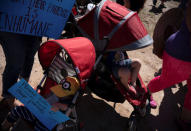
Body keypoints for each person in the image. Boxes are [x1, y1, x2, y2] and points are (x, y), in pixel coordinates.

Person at [147, 0, 191, 129]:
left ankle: (185, 120)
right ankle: (144, 94)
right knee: (165, 81)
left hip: (182, 53)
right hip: (180, 54)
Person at [0, 76, 80, 131]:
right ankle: (4, 127)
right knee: (17, 110)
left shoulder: (67, 102)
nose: (58, 94)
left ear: (70, 96)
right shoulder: (54, 92)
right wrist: (37, 97)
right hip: (36, 112)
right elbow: (45, 97)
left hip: (46, 122)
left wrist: (58, 105)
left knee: (41, 128)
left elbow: (66, 108)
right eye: (59, 90)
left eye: (63, 94)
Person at [0, 32, 42, 110]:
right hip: (11, 27)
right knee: (15, 63)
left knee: (29, 57)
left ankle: (22, 90)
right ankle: (9, 100)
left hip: (35, 28)